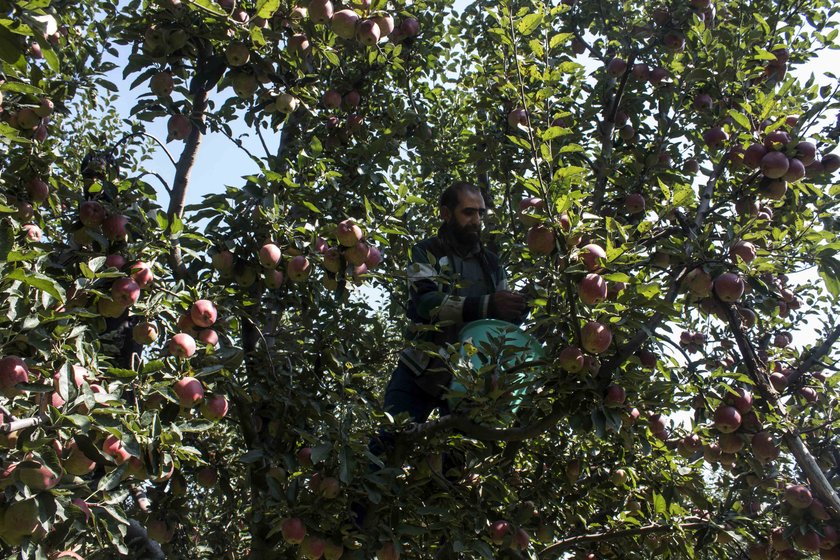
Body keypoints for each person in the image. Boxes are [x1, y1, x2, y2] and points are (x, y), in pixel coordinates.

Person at [382, 181, 528, 429]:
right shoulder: (424, 252)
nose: (476, 220)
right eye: (468, 212)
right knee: (388, 441)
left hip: (467, 382)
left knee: (459, 461)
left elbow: (500, 325)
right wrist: (489, 305)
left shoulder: (492, 265)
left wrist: (520, 307)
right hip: (420, 370)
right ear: (446, 214)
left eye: (481, 213)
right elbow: (427, 303)